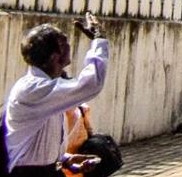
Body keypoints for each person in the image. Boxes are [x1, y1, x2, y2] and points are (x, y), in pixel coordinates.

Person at [5, 11, 109, 177]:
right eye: (66, 43)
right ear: (55, 56)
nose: (70, 46)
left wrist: (66, 159)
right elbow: (91, 84)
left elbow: (37, 142)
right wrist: (99, 39)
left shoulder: (47, 88)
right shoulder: (35, 89)